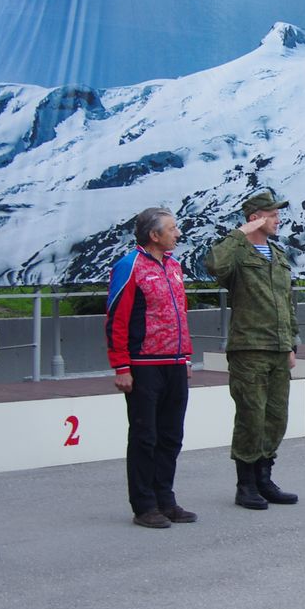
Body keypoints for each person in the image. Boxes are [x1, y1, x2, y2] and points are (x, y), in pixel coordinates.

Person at [206, 190, 300, 510]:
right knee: (251, 417)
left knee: (276, 417)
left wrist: (291, 344)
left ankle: (264, 478)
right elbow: (213, 264)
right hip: (249, 348)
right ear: (255, 218)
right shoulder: (237, 253)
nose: (278, 219)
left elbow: (287, 303)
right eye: (272, 215)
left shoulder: (278, 254)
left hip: (277, 347)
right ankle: (245, 484)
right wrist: (240, 234)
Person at [106, 208, 197, 529]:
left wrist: (184, 356)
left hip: (173, 362)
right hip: (143, 364)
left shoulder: (174, 266)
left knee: (171, 435)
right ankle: (144, 505)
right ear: (154, 235)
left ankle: (165, 499)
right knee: (146, 436)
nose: (178, 233)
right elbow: (116, 317)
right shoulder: (129, 266)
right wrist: (121, 365)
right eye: (171, 229)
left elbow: (180, 314)